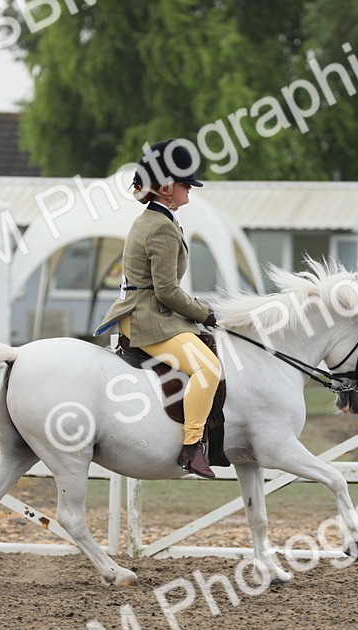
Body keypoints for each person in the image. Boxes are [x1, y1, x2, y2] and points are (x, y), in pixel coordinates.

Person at [97, 139, 221, 478]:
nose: (189, 192)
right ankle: (192, 445)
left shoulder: (153, 219)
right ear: (166, 187)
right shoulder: (160, 228)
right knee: (207, 368)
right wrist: (201, 312)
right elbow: (167, 291)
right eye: (185, 185)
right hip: (147, 321)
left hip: (147, 313)